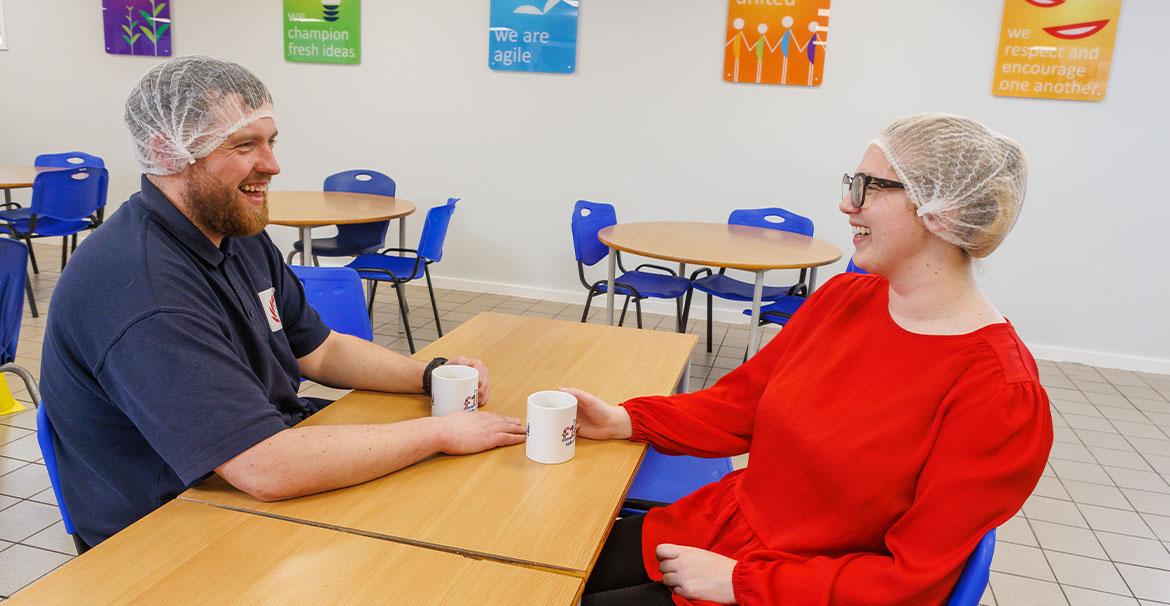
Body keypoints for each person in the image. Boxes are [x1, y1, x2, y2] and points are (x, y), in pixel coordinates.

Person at [39, 56, 526, 549]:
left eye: (271, 142)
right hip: (168, 532)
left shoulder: (233, 229)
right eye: (244, 145)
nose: (271, 165)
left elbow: (319, 349)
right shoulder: (142, 289)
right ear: (168, 151)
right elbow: (266, 468)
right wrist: (439, 433)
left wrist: (428, 375)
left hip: (253, 467)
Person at [566, 113, 1053, 605]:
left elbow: (913, 581)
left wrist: (741, 583)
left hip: (798, 587)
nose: (846, 204)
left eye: (868, 187)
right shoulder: (846, 297)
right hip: (721, 530)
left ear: (940, 212)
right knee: (542, 568)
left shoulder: (997, 393)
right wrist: (625, 420)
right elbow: (743, 404)